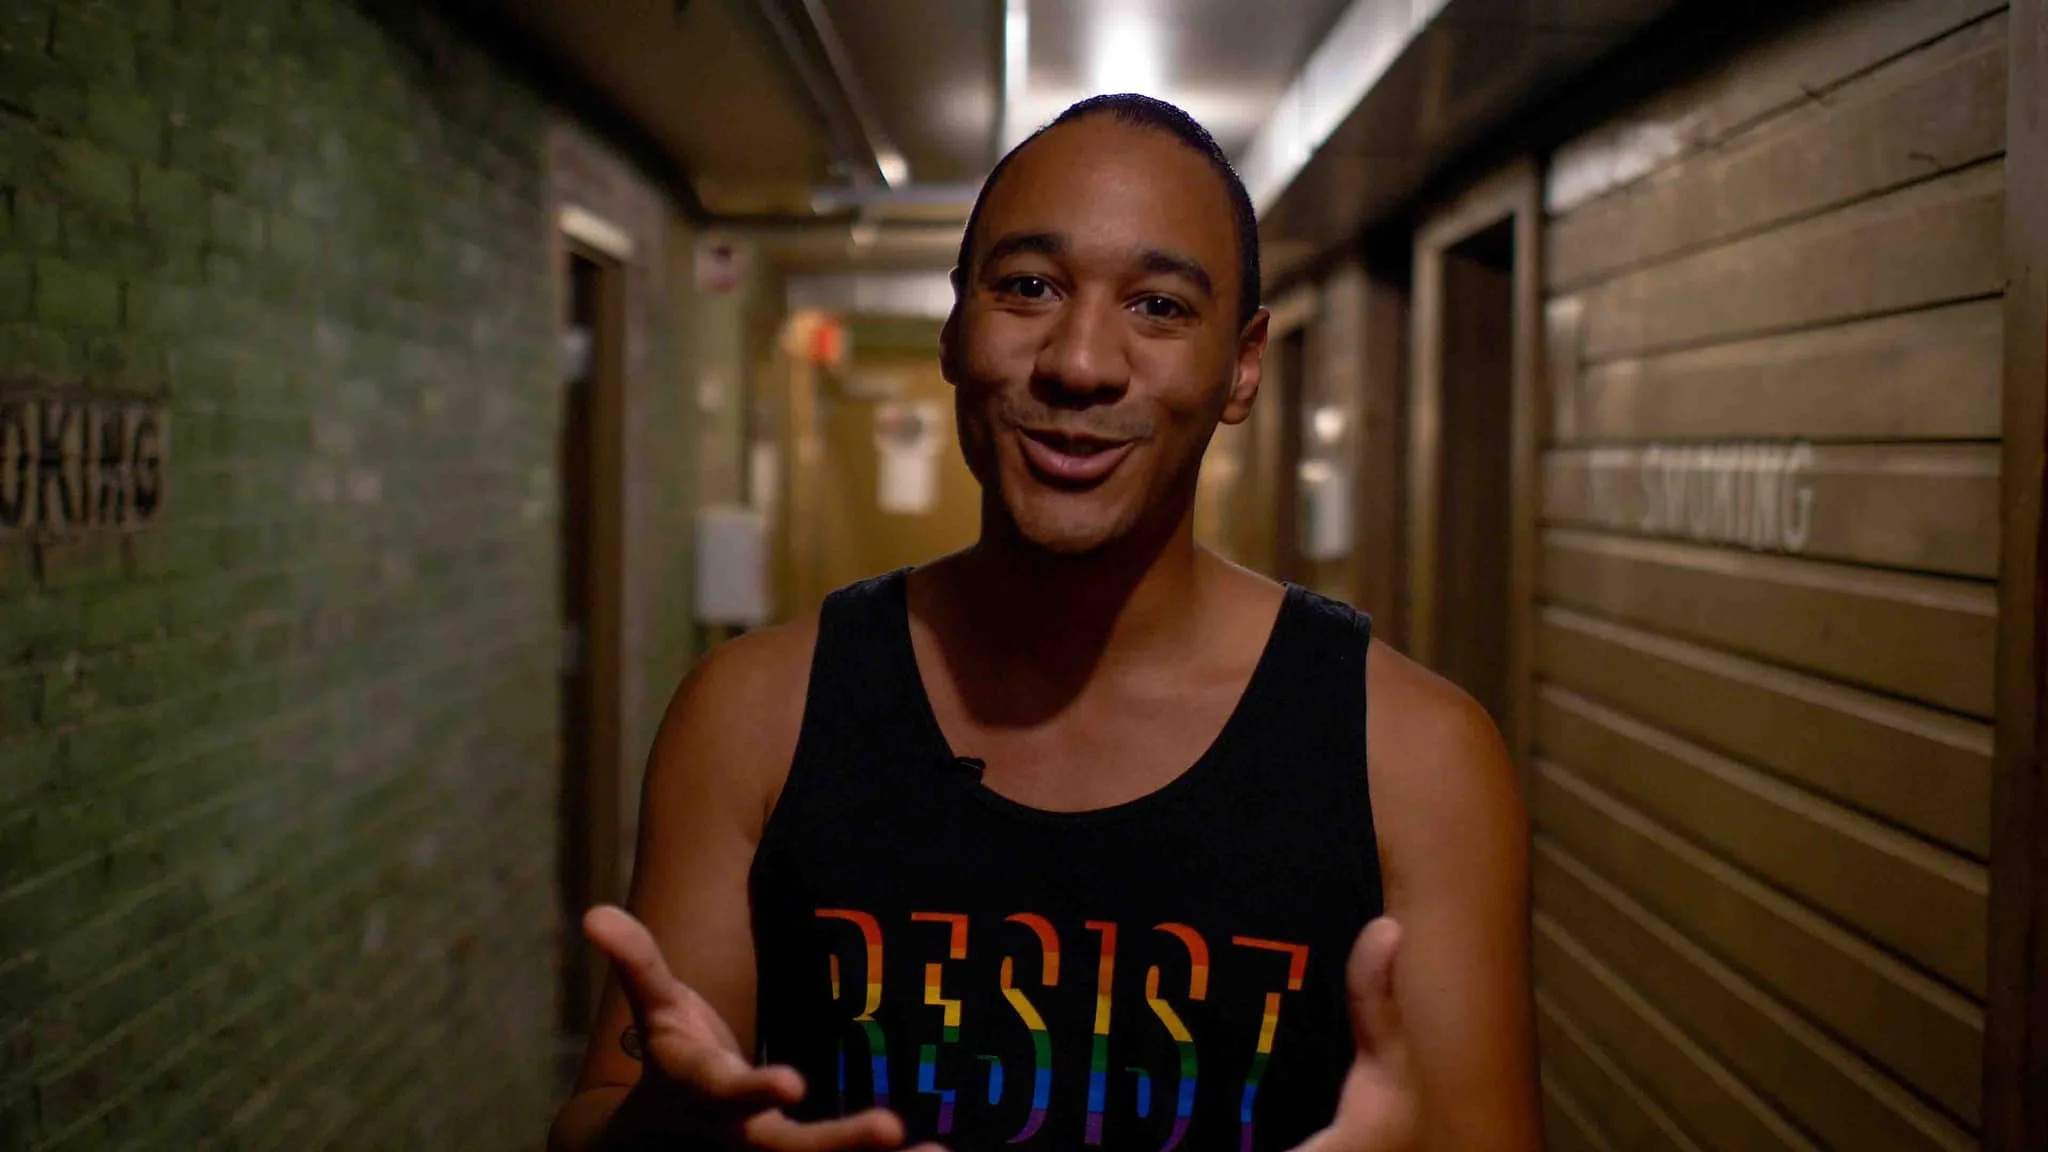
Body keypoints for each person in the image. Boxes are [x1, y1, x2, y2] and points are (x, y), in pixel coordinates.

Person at [547, 94, 1539, 1152]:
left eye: (1158, 307)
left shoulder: (1413, 757)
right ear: (953, 327)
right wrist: (666, 1137)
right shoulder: (754, 717)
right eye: (1027, 287)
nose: (1078, 361)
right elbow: (604, 1118)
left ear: (1241, 366)